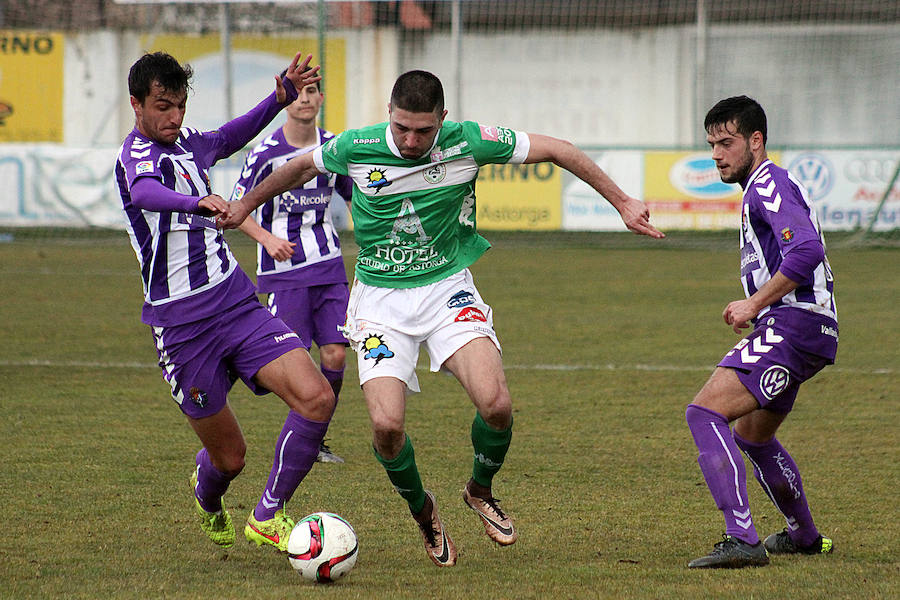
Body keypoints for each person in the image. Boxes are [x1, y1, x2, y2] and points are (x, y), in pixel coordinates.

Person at [217, 69, 664, 567]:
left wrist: (623, 202)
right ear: (389, 114)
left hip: (447, 288)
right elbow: (298, 168)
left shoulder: (468, 141)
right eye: (402, 128)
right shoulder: (357, 145)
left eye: (423, 131)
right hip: (380, 302)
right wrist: (246, 206)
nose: (411, 141)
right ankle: (423, 510)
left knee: (496, 404)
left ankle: (479, 489)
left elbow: (560, 149)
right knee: (386, 428)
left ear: (443, 121)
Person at [114, 51, 336, 553]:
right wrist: (196, 202)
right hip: (182, 327)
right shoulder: (136, 159)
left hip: (235, 302)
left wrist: (278, 97)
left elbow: (231, 135)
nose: (174, 118)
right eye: (163, 106)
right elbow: (147, 193)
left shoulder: (189, 143)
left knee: (318, 397)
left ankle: (267, 515)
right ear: (137, 104)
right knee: (229, 459)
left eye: (180, 106)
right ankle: (208, 497)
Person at [686, 95, 837, 569]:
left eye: (726, 142)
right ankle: (805, 537)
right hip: (804, 327)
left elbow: (806, 250)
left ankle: (742, 539)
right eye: (711, 144)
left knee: (704, 412)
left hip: (795, 325)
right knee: (753, 437)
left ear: (756, 140)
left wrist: (756, 302)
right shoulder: (760, 187)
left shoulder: (768, 182)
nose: (717, 154)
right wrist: (761, 305)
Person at [231, 71, 353, 464]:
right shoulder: (265, 153)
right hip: (284, 275)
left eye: (312, 91)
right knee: (296, 361)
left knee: (335, 355)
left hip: (329, 266)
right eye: (297, 92)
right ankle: (303, 435)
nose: (304, 98)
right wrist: (267, 239)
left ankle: (316, 439)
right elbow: (237, 207)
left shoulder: (334, 147)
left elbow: (356, 196)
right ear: (287, 101)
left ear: (321, 100)